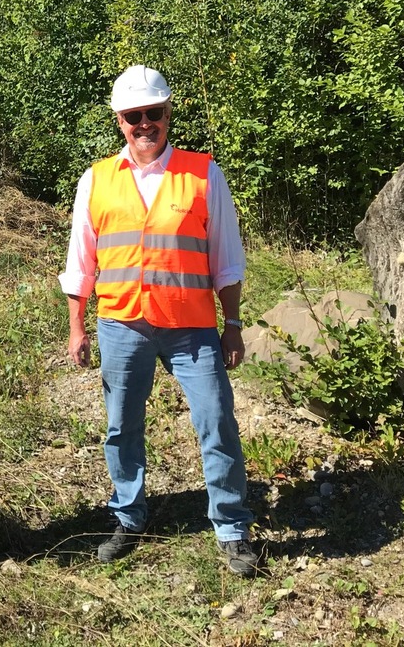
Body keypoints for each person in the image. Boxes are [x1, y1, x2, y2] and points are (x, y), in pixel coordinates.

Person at [59, 66, 259, 577]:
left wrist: (232, 323)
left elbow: (226, 257)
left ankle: (232, 527)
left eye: (155, 113)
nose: (145, 124)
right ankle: (128, 515)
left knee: (216, 420)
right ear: (119, 121)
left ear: (168, 114)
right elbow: (81, 260)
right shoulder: (96, 179)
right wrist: (77, 325)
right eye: (134, 116)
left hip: (191, 326)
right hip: (123, 323)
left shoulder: (202, 172)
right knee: (121, 426)